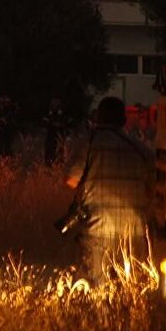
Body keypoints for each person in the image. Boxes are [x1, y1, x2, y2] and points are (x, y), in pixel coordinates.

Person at [65, 96, 154, 286]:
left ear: (98, 118)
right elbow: (154, 187)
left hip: (97, 228)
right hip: (135, 231)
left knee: (96, 287)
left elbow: (71, 180)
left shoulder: (89, 144)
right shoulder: (141, 149)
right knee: (132, 287)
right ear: (123, 120)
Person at [41, 98, 72, 165]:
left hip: (59, 141)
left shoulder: (63, 117)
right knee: (49, 158)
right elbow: (44, 126)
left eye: (56, 104)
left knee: (59, 157)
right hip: (50, 140)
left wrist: (67, 136)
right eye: (53, 104)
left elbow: (67, 126)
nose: (54, 106)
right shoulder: (48, 116)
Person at [0, 95, 18, 160]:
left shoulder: (10, 113)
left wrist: (6, 122)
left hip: (7, 135)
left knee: (8, 151)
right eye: (0, 103)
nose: (2, 104)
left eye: (6, 102)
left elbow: (13, 125)